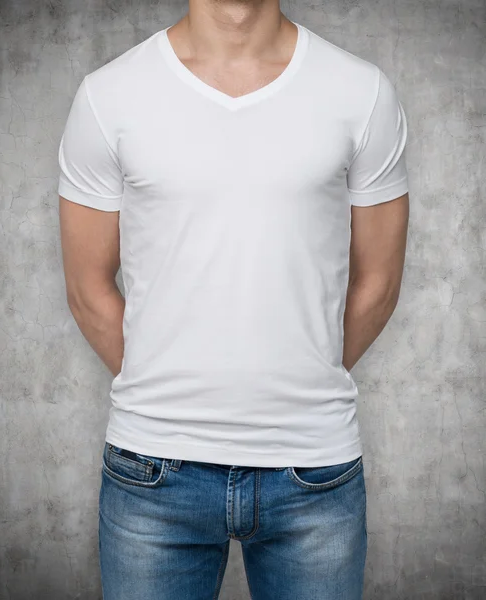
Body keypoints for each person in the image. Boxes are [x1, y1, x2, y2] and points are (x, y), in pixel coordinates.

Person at [58, 0, 409, 598]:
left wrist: (298, 373)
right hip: (153, 469)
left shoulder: (361, 92)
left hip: (313, 469)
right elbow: (88, 288)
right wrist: (170, 381)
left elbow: (378, 284)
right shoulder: (109, 96)